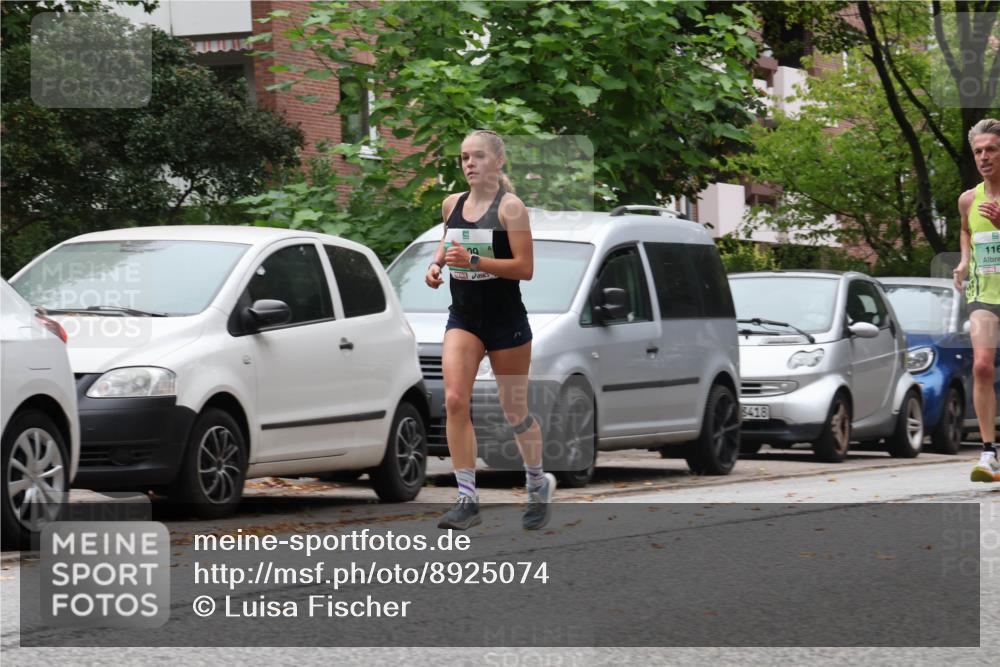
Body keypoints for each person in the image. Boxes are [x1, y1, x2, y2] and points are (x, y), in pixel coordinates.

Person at [425, 129, 555, 530]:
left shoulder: (510, 208)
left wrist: (477, 262)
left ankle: (537, 483)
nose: (469, 163)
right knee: (454, 400)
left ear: (498, 161)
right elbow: (448, 243)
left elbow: (525, 268)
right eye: (464, 157)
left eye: (478, 156)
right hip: (464, 319)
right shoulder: (452, 204)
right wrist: (437, 265)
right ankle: (467, 498)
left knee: (514, 410)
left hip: (506, 323)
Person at [953, 117, 1000, 483]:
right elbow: (966, 230)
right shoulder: (969, 198)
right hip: (984, 294)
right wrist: (965, 260)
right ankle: (989, 454)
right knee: (982, 366)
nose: (984, 157)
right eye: (979, 151)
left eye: (991, 150)